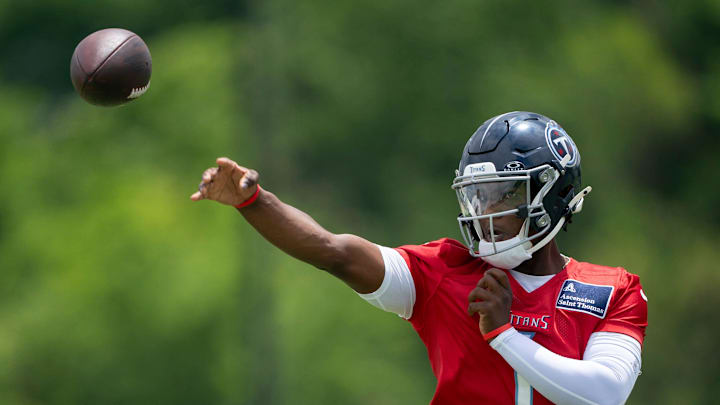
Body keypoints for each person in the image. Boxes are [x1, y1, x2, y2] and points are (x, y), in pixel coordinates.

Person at [190, 111, 648, 405]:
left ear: (556, 194)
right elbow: (334, 252)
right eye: (478, 197)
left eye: (503, 195)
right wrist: (256, 203)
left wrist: (505, 334)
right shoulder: (445, 272)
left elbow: (603, 395)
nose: (486, 212)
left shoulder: (613, 289)